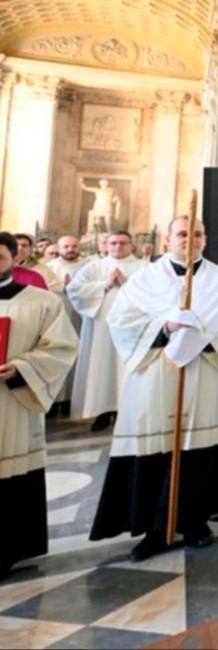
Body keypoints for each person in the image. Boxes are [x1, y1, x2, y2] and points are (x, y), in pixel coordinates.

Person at [89, 216, 218, 561]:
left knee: (198, 448)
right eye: (181, 233)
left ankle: (194, 522)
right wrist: (165, 327)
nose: (189, 239)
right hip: (155, 373)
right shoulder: (143, 280)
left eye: (197, 234)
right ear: (167, 241)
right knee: (157, 446)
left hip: (204, 373)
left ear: (206, 240)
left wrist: (202, 335)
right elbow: (121, 321)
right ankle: (153, 528)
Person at [0, 231, 80, 580]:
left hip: (14, 401)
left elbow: (61, 347)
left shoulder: (42, 302)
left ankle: (7, 550)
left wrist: (22, 368)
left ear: (15, 259)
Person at [66, 231, 148, 432]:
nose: (118, 247)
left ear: (132, 245)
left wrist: (127, 284)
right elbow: (74, 290)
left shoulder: (144, 267)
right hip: (101, 328)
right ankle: (102, 412)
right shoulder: (95, 267)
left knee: (127, 367)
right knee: (101, 368)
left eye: (123, 243)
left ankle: (127, 411)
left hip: (133, 329)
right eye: (113, 243)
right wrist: (106, 284)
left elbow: (155, 293)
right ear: (106, 245)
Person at [47, 236, 88, 410]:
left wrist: (77, 289)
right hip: (56, 319)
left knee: (78, 356)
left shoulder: (89, 266)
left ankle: (72, 398)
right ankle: (54, 399)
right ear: (58, 248)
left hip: (81, 318)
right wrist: (62, 288)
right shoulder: (49, 268)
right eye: (66, 246)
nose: (70, 249)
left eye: (74, 246)